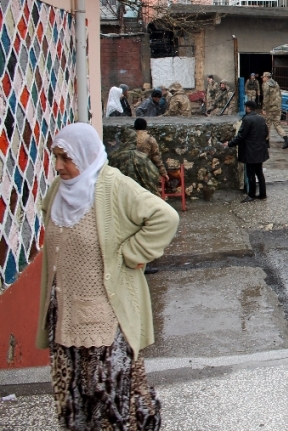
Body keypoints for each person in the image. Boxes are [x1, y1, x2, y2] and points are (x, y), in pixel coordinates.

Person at [36, 122, 179, 430]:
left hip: (103, 319)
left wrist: (132, 253)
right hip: (65, 315)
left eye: (66, 157)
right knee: (74, 395)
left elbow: (165, 217)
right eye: (55, 157)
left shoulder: (112, 185)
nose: (58, 165)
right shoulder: (59, 189)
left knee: (109, 398)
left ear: (85, 155)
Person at [224, 100, 269, 202]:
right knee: (259, 173)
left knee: (251, 174)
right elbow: (266, 132)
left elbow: (241, 136)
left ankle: (251, 195)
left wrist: (229, 143)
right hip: (260, 150)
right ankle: (263, 194)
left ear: (248, 108)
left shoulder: (247, 119)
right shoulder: (261, 119)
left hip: (250, 151)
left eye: (246, 107)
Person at [261, 71, 288, 149]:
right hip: (277, 108)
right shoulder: (276, 84)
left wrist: (264, 109)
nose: (262, 78)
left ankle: (266, 142)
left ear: (266, 77)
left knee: (267, 125)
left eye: (263, 77)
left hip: (270, 109)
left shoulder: (266, 85)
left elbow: (266, 98)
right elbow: (280, 95)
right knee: (277, 125)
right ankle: (286, 139)